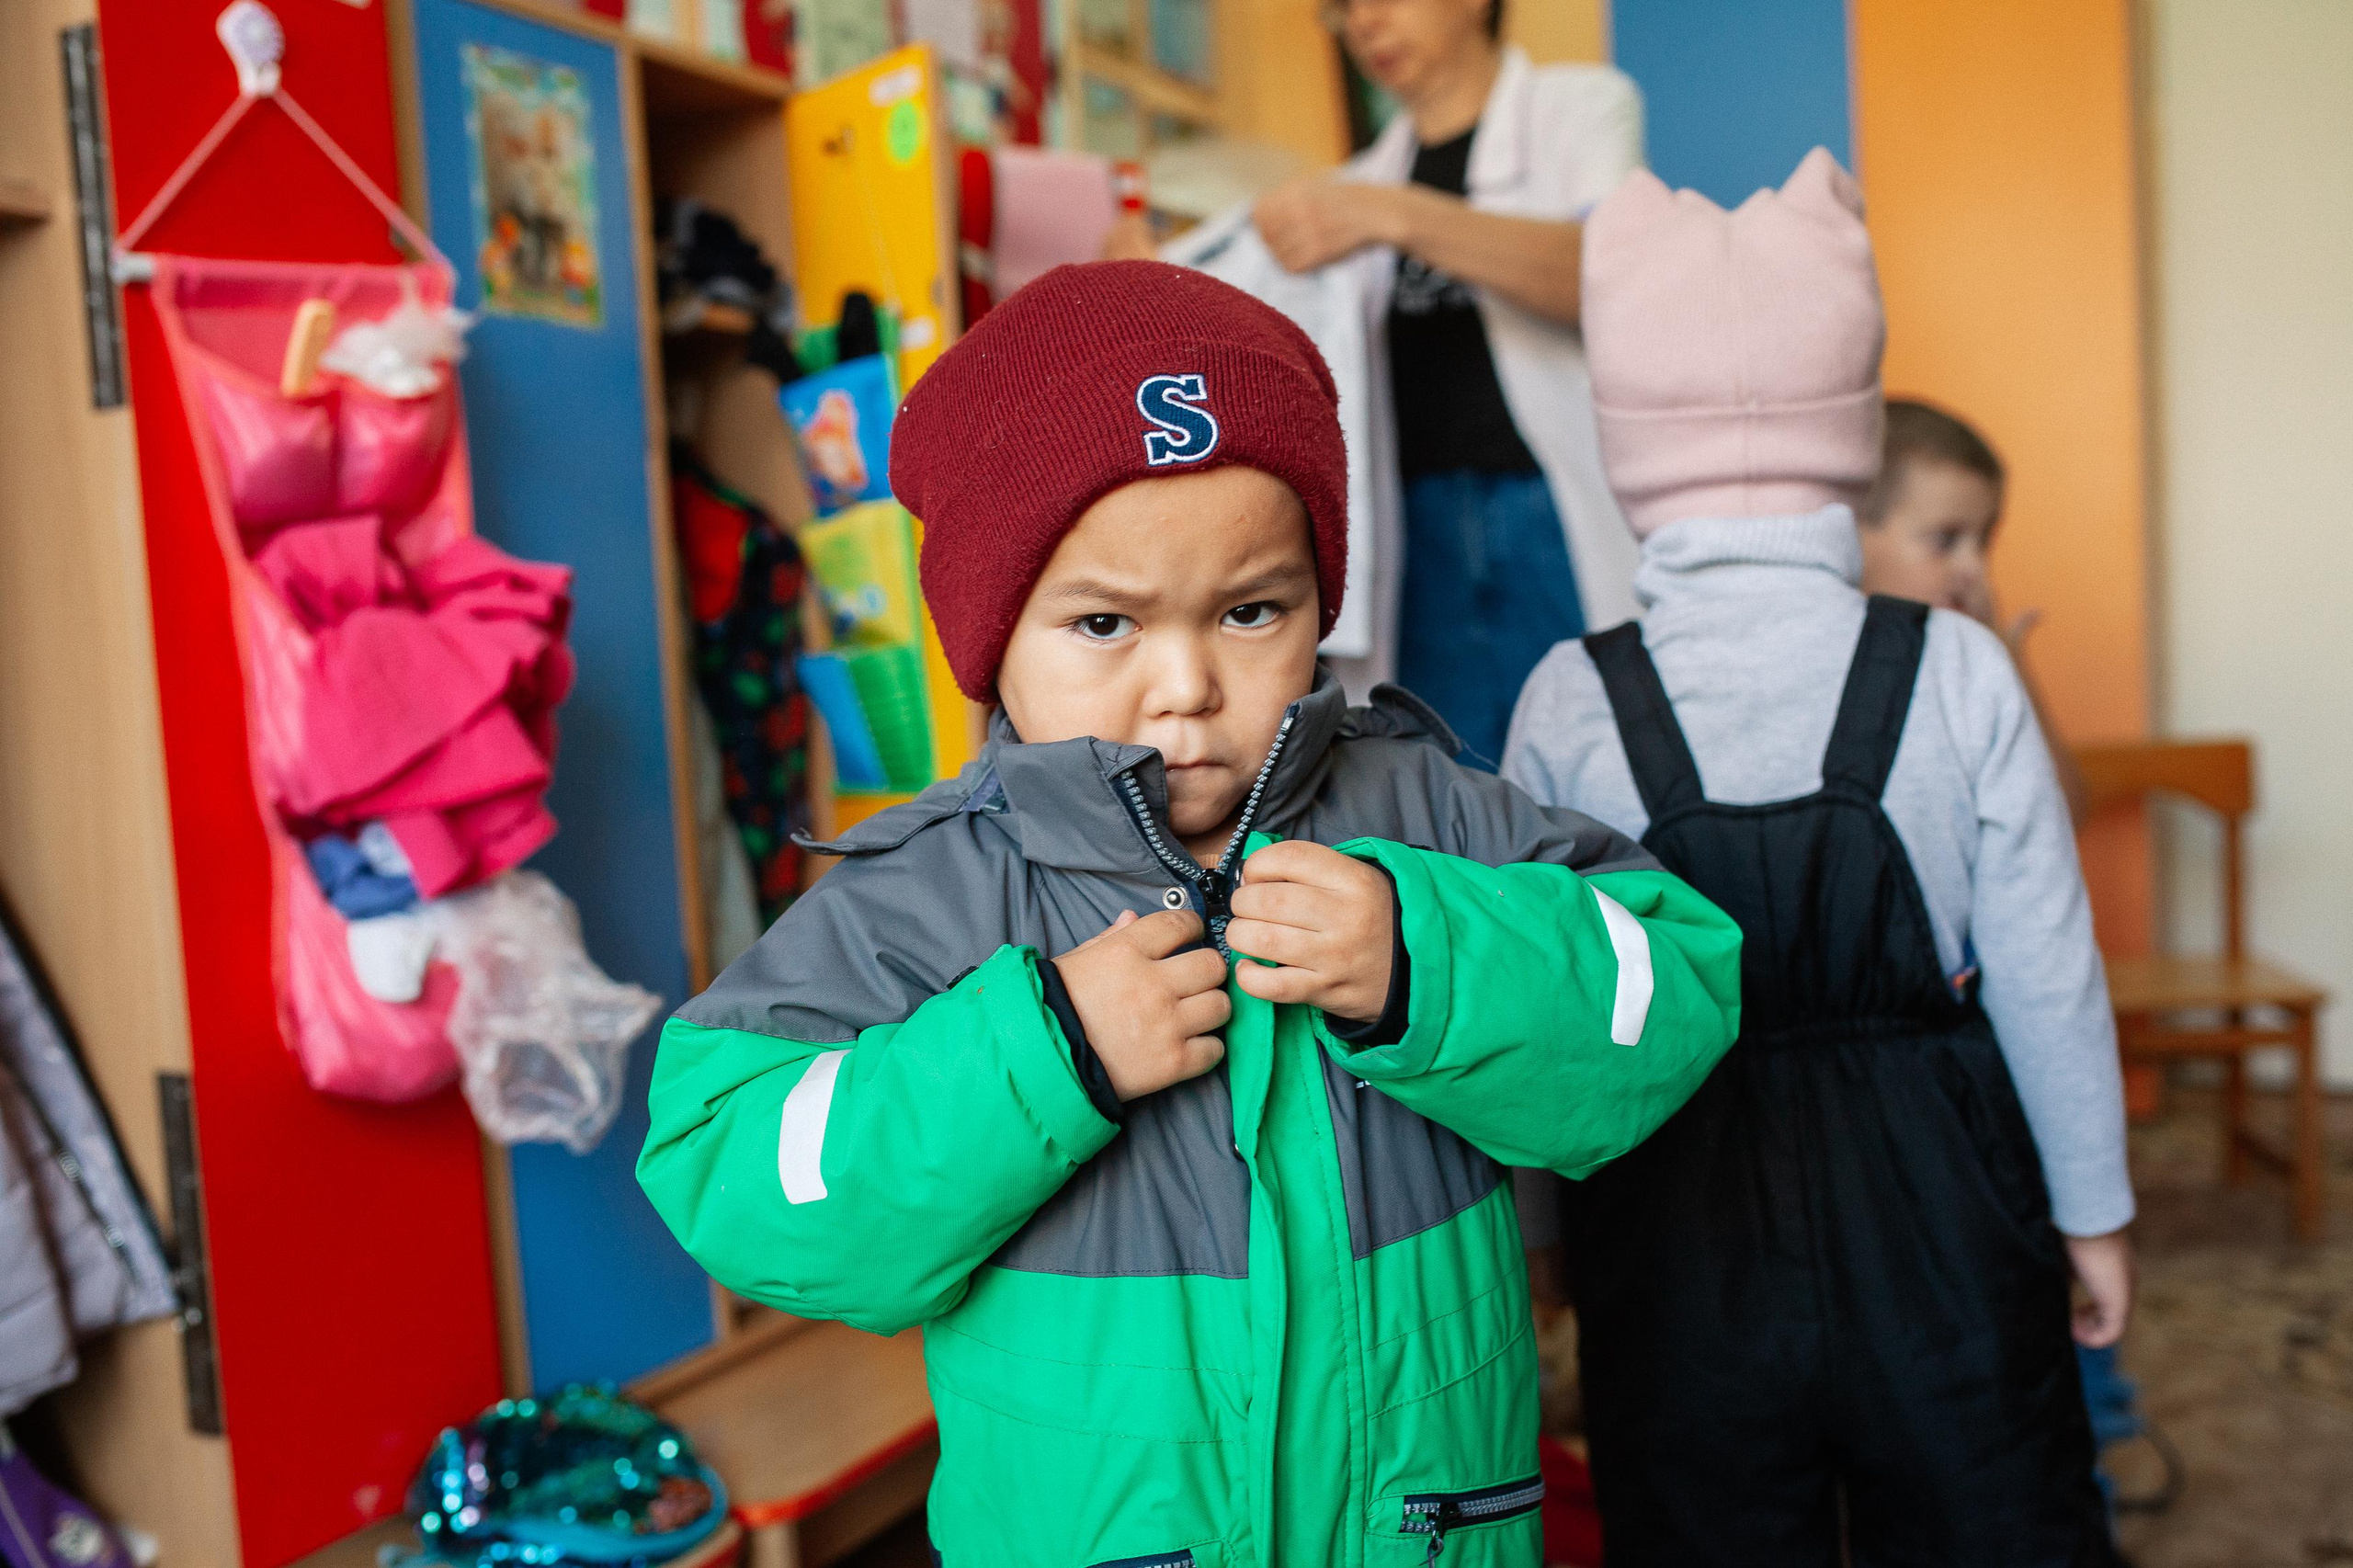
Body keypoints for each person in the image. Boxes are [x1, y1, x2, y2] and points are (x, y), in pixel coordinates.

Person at [638, 261, 1743, 1568]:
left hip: (1429, 1531)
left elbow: (1675, 986)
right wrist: (1043, 1051)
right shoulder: (935, 888)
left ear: (1322, 603)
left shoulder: (1426, 812)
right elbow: (727, 1164)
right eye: (1105, 621)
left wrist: (1428, 957)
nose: (1186, 687)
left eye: (1251, 610)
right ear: (994, 637)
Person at [1502, 153, 2135, 1566]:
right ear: (1850, 427)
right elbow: (2048, 976)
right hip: (1944, 1198)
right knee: (1993, 1510)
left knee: (1708, 1526)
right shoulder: (1958, 670)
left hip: (1673, 1220)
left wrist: (1541, 1241)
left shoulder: (1566, 696)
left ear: (1624, 436)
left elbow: (1534, 1014)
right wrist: (2093, 1211)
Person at [1248, 0, 1643, 765]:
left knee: (1597, 759)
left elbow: (1606, 274)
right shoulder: (1358, 184)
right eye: (1343, 9)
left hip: (1545, 508)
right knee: (1446, 776)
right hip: (1414, 528)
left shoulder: (1582, 107)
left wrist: (1394, 215)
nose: (1365, 24)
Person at [1859, 398, 2088, 820]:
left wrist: (2010, 664)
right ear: (1852, 532)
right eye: (1945, 540)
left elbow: (2062, 816)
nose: (1975, 569)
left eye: (1983, 542)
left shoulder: (1968, 663)